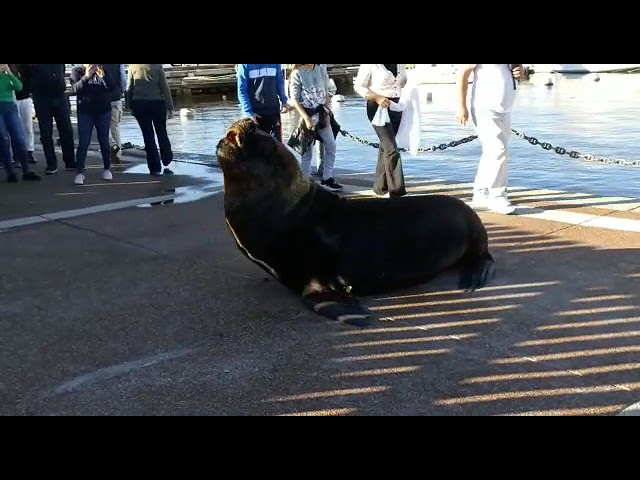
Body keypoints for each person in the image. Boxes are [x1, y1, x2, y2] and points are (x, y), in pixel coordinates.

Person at [456, 64, 525, 215]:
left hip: (504, 110)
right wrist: (462, 106)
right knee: (498, 150)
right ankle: (497, 196)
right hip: (484, 107)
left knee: (491, 153)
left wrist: (520, 71)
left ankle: (481, 194)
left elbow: (516, 70)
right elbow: (463, 73)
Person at [354, 64, 408, 198]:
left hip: (396, 106)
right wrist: (377, 97)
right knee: (391, 148)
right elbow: (359, 86)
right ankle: (396, 192)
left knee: (386, 147)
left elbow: (403, 82)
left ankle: (380, 188)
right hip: (377, 107)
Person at [288, 64, 342, 191]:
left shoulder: (320, 69)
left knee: (331, 146)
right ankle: (304, 183)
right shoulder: (297, 73)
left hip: (322, 114)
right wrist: (306, 118)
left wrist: (328, 111)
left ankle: (327, 178)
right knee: (307, 152)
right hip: (306, 116)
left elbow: (326, 93)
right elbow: (295, 100)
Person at [21, 64, 76, 174]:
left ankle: (70, 162)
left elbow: (62, 68)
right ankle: (51, 164)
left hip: (59, 94)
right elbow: (25, 74)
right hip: (41, 97)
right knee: (46, 132)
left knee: (66, 129)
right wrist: (31, 88)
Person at [70, 64, 117, 185]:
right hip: (85, 111)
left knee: (104, 140)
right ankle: (79, 172)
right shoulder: (77, 70)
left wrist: (104, 77)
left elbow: (113, 88)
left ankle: (107, 169)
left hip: (103, 110)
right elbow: (75, 88)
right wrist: (86, 76)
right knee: (84, 142)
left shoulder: (103, 68)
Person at [126, 64, 174, 176]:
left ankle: (154, 167)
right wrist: (170, 107)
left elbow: (129, 88)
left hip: (140, 104)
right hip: (157, 103)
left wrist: (129, 106)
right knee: (161, 131)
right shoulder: (157, 66)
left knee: (148, 136)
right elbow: (164, 87)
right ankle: (166, 157)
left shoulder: (133, 66)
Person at [0, 64, 41, 182]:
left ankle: (26, 170)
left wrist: (9, 73)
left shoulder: (8, 74)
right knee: (4, 138)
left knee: (19, 137)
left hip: (10, 107)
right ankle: (10, 172)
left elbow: (19, 87)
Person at [236, 64, 289, 142]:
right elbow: (242, 90)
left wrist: (284, 101)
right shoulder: (245, 65)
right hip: (255, 115)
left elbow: (279, 82)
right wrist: (249, 112)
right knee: (257, 148)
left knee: (277, 146)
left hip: (274, 112)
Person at [8, 64, 36, 165]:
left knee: (28, 126)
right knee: (14, 128)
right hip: (11, 97)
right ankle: (15, 155)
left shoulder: (26, 66)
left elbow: (32, 76)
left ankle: (29, 151)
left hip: (25, 96)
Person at [106, 64, 127, 164]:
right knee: (115, 127)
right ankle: (118, 154)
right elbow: (123, 78)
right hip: (115, 96)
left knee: (102, 126)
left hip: (103, 97)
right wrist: (122, 90)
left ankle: (112, 145)